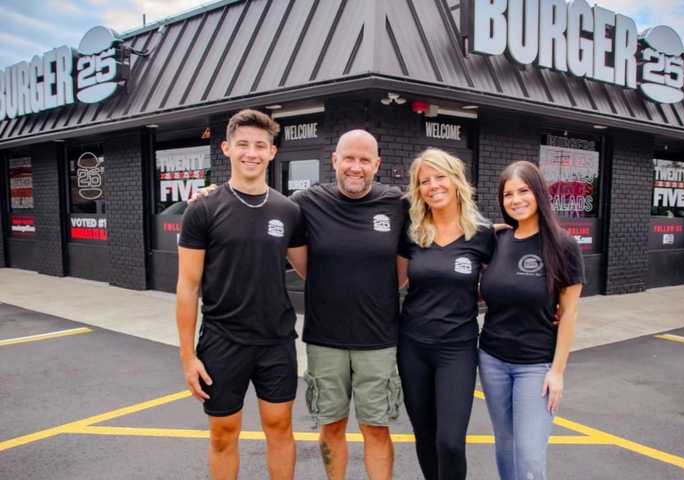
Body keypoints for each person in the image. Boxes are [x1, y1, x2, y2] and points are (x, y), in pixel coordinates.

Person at [176, 109, 306, 480]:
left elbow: (310, 269)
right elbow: (187, 286)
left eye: (260, 145)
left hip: (275, 339)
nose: (252, 152)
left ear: (272, 152)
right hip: (222, 340)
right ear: (227, 148)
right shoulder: (203, 209)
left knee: (280, 428)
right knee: (222, 434)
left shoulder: (289, 210)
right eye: (243, 144)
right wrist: (188, 358)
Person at [291, 130, 406, 480]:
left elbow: (403, 272)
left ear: (377, 164)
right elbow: (301, 264)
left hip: (379, 340)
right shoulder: (306, 202)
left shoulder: (397, 204)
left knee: (376, 429)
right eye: (349, 158)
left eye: (364, 160)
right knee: (331, 427)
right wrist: (211, 194)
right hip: (325, 339)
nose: (356, 167)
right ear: (335, 160)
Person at [478, 160, 584, 480]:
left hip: (536, 366)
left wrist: (558, 372)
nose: (516, 200)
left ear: (539, 193)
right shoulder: (497, 241)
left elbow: (568, 315)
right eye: (508, 194)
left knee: (528, 455)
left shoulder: (564, 246)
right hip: (492, 358)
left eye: (523, 191)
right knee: (505, 445)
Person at [396, 149, 495, 480]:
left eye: (440, 177)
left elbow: (504, 282)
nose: (433, 186)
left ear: (456, 181)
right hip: (412, 346)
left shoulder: (483, 234)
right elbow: (393, 278)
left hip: (457, 348)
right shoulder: (411, 230)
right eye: (425, 181)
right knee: (425, 436)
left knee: (450, 441)